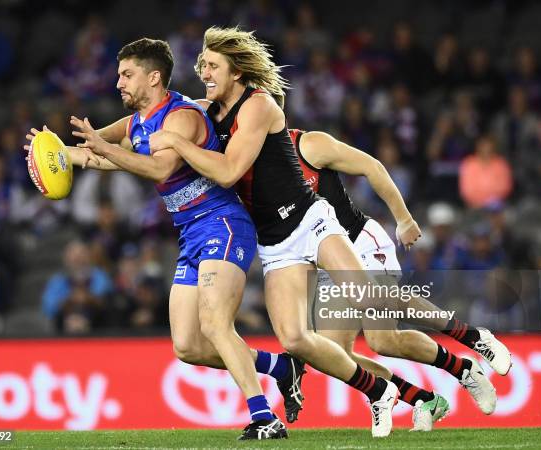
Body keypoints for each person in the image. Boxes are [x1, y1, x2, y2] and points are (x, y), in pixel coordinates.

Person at [26, 38, 296, 440]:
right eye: (118, 75)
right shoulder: (135, 122)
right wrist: (51, 153)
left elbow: (157, 168)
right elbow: (92, 153)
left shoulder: (182, 116)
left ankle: (265, 418)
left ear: (154, 78)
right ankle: (280, 368)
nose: (118, 82)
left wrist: (102, 148)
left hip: (222, 223)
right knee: (187, 346)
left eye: (127, 75)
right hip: (191, 234)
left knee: (215, 323)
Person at [150, 27, 399, 438]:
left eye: (213, 66)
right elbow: (149, 118)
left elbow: (229, 172)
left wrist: (178, 141)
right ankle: (378, 391)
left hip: (308, 219)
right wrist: (90, 147)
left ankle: (464, 341)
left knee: (365, 294)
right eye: (202, 66)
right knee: (296, 340)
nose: (204, 73)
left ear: (237, 71)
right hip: (274, 239)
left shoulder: (258, 106)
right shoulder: (205, 111)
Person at [288, 128, 512, 430]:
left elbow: (372, 167)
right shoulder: (253, 171)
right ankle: (429, 394)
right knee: (333, 354)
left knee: (383, 340)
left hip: (359, 242)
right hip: (326, 261)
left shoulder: (307, 144)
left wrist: (404, 218)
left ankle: (474, 338)